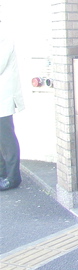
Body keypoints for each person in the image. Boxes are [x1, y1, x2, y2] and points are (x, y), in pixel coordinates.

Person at [0, 22, 25, 191]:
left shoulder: (5, 40)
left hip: (4, 99)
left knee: (7, 139)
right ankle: (3, 174)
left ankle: (13, 178)